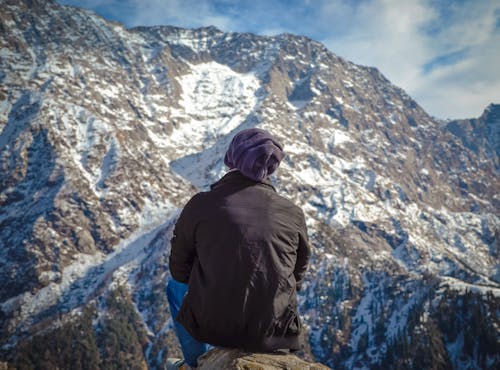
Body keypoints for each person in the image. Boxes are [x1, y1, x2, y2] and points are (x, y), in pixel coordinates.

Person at [166, 128, 311, 369]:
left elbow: (178, 271)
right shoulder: (293, 213)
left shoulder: (201, 204)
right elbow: (297, 276)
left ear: (231, 159)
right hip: (274, 332)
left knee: (174, 287)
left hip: (212, 327)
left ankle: (196, 363)